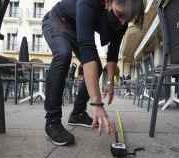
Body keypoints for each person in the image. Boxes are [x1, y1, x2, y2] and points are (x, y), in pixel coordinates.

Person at [42, 0, 144, 146]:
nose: (122, 22)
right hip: (57, 19)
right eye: (120, 14)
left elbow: (113, 54)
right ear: (109, 2)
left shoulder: (122, 23)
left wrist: (110, 82)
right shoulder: (89, 2)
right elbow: (86, 48)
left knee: (97, 66)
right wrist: (97, 103)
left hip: (75, 29)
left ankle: (78, 114)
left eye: (127, 19)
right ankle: (52, 121)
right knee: (63, 54)